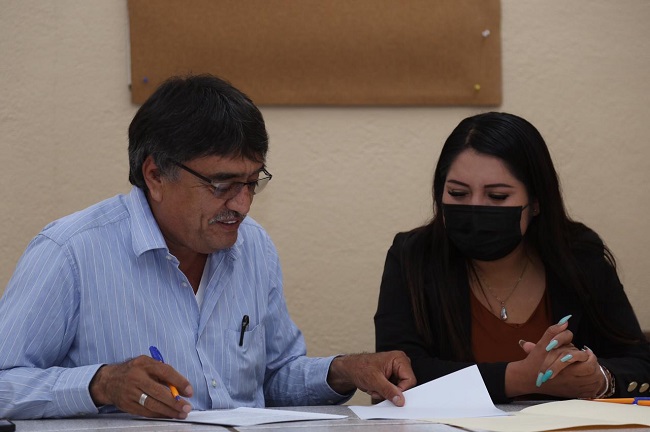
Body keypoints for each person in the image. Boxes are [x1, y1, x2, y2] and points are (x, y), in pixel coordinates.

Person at [0, 74, 415, 420]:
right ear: (155, 175)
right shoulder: (71, 251)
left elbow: (273, 378)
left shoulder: (253, 246)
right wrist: (101, 384)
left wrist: (343, 370)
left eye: (252, 182)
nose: (242, 204)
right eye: (222, 185)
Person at [374, 112, 650, 403]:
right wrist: (518, 378)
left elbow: (640, 362)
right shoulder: (413, 257)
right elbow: (397, 372)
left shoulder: (578, 254)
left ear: (535, 202)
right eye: (457, 193)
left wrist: (599, 378)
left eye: (497, 197)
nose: (475, 208)